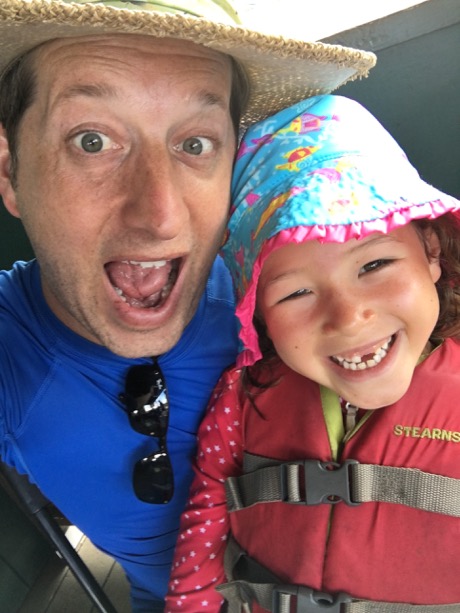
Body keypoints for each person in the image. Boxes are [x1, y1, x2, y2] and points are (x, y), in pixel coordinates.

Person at [0, 1, 377, 610]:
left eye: (195, 143)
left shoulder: (288, 274)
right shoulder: (13, 349)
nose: (160, 216)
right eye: (92, 140)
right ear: (11, 169)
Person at [165, 94, 460, 612]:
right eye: (295, 293)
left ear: (432, 251)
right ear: (260, 313)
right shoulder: (242, 399)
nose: (347, 318)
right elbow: (203, 537)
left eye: (374, 266)